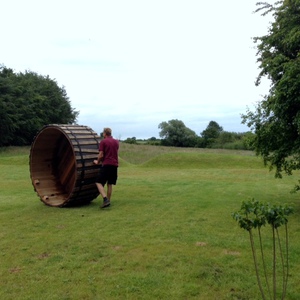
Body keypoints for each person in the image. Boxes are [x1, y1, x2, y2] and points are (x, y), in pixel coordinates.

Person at [93, 127, 119, 208]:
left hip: (107, 164)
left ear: (104, 133)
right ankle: (108, 201)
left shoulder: (103, 142)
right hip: (114, 165)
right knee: (110, 183)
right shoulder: (116, 142)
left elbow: (101, 154)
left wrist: (97, 161)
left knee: (98, 182)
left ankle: (105, 199)